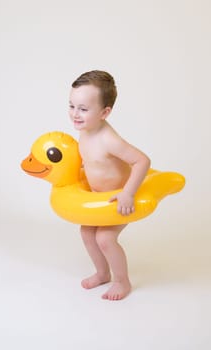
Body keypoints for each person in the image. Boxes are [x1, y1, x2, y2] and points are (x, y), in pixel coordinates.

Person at [69, 70, 151, 301]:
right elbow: (95, 161)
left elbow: (142, 161)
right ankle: (102, 273)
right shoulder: (85, 130)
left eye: (83, 109)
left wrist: (128, 194)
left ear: (105, 112)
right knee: (86, 233)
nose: (75, 114)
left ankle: (122, 281)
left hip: (118, 198)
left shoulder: (109, 139)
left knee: (104, 238)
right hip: (99, 198)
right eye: (72, 106)